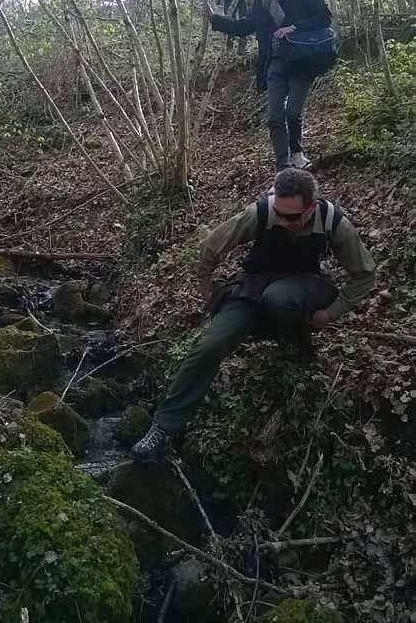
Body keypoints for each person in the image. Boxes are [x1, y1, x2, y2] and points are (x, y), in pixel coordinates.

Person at [131, 169, 375, 462]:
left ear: (311, 206)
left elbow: (364, 274)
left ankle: (294, 343)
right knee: (208, 347)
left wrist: (331, 313)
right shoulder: (258, 214)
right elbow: (211, 247)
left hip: (306, 287)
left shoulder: (333, 223)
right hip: (253, 286)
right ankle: (164, 426)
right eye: (279, 214)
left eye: (293, 217)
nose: (284, 222)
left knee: (280, 298)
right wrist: (208, 292)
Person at [209, 0, 333, 176]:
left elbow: (324, 17)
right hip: (274, 63)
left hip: (301, 59)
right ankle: (283, 165)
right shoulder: (260, 0)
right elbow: (246, 26)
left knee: (292, 113)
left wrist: (293, 28)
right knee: (275, 116)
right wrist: (214, 21)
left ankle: (297, 153)